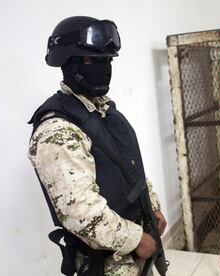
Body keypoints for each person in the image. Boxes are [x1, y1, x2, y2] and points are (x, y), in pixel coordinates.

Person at [27, 16, 167, 276]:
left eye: (107, 60)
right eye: (92, 60)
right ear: (69, 63)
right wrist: (136, 239)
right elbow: (81, 213)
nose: (103, 68)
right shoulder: (57, 130)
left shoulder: (103, 110)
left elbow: (129, 165)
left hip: (137, 249)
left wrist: (152, 204)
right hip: (106, 262)